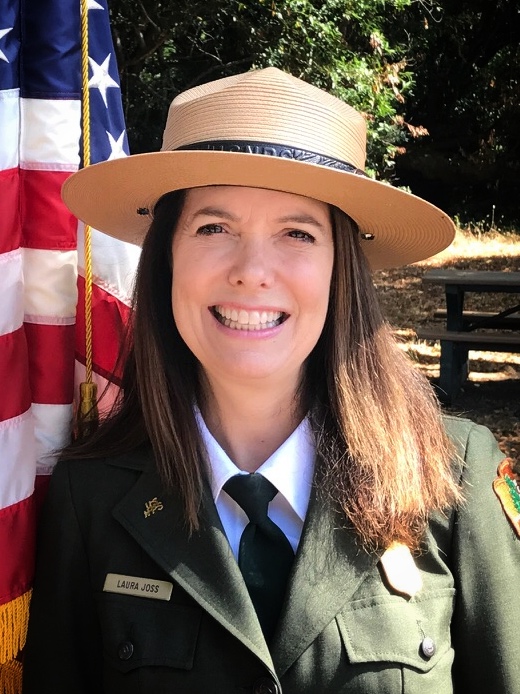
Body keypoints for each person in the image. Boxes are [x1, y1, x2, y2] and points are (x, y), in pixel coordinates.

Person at [22, 68, 520, 694]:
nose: (252, 271)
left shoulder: (455, 476)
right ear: (165, 258)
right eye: (213, 227)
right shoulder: (89, 496)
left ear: (342, 269)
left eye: (296, 233)